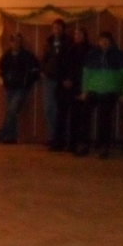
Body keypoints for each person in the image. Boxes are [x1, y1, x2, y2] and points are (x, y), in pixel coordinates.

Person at [76, 31, 123, 159]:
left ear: (111, 41)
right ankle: (84, 144)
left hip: (110, 91)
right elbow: (86, 74)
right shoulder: (92, 54)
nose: (104, 42)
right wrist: (84, 91)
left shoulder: (118, 55)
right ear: (98, 41)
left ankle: (103, 146)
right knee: (84, 115)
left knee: (104, 118)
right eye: (102, 39)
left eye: (106, 39)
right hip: (93, 90)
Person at [0, 33, 40, 144]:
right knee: (11, 112)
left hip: (21, 88)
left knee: (12, 110)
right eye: (13, 41)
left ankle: (2, 134)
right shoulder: (7, 56)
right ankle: (11, 137)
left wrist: (27, 82)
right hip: (10, 87)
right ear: (11, 43)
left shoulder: (27, 56)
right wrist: (5, 79)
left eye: (18, 41)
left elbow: (35, 69)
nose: (15, 43)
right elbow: (1, 69)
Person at [40, 19, 73, 150]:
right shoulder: (49, 42)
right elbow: (44, 58)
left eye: (59, 27)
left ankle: (62, 138)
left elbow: (69, 61)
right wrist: (43, 70)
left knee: (61, 110)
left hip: (62, 79)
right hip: (49, 78)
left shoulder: (68, 42)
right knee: (49, 108)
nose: (57, 30)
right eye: (55, 27)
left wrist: (67, 77)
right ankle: (52, 136)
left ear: (63, 29)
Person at [63, 27, 91, 154]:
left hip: (86, 85)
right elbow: (65, 66)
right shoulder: (71, 49)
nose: (77, 36)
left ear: (84, 35)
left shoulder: (90, 50)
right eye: (76, 34)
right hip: (73, 85)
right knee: (73, 114)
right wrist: (66, 78)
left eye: (80, 34)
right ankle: (72, 142)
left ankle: (83, 142)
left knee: (84, 115)